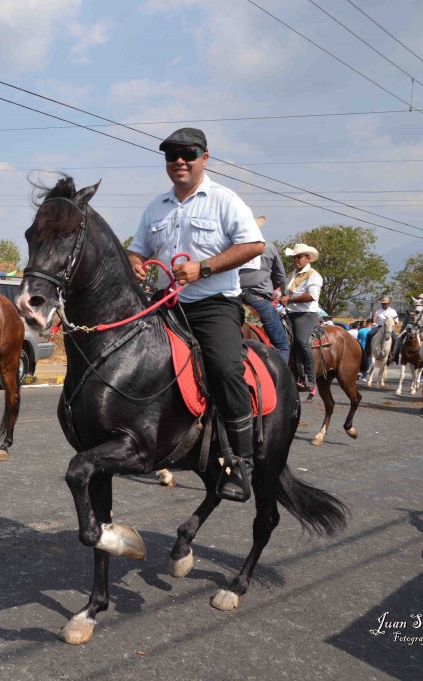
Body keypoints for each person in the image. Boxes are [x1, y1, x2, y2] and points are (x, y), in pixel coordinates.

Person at [126, 127, 264, 502]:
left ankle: (241, 461)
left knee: (224, 369)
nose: (179, 161)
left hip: (213, 304)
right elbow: (137, 249)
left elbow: (254, 244)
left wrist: (203, 268)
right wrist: (135, 262)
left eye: (188, 154)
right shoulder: (156, 207)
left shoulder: (224, 199)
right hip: (165, 303)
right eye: (171, 155)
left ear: (204, 158)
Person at [238, 216, 290, 363]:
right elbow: (280, 278)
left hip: (234, 298)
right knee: (282, 345)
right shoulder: (268, 247)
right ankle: (281, 377)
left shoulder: (233, 248)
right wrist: (268, 287)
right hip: (258, 300)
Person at [281, 244, 323, 398]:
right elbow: (286, 295)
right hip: (289, 313)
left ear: (308, 258)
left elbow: (313, 296)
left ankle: (311, 380)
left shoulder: (314, 275)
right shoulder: (291, 275)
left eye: (299, 257)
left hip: (306, 314)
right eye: (294, 257)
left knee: (301, 341)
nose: (295, 260)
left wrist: (289, 299)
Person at [370, 296, 400, 363]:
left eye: (385, 304)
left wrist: (390, 321)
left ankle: (394, 355)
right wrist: (373, 317)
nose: (383, 305)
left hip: (389, 328)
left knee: (396, 339)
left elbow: (396, 321)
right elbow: (373, 321)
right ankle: (367, 349)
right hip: (379, 326)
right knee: (370, 334)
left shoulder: (393, 311)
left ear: (388, 304)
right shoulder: (378, 311)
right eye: (382, 303)